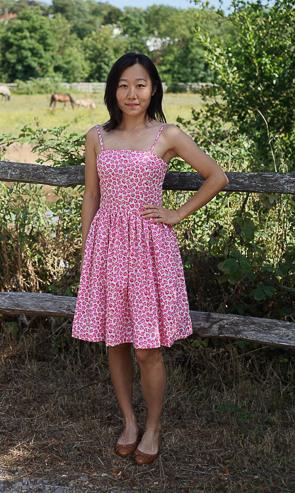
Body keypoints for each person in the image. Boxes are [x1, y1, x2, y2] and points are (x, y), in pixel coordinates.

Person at [72, 52, 229, 465]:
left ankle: (154, 426)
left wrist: (176, 214)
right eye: (123, 85)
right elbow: (91, 195)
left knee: (148, 349)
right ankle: (129, 421)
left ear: (153, 88)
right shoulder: (96, 136)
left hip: (148, 251)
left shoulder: (169, 135)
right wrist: (88, 251)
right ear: (113, 91)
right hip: (106, 246)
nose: (131, 93)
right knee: (116, 340)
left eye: (140, 84)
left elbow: (217, 176)